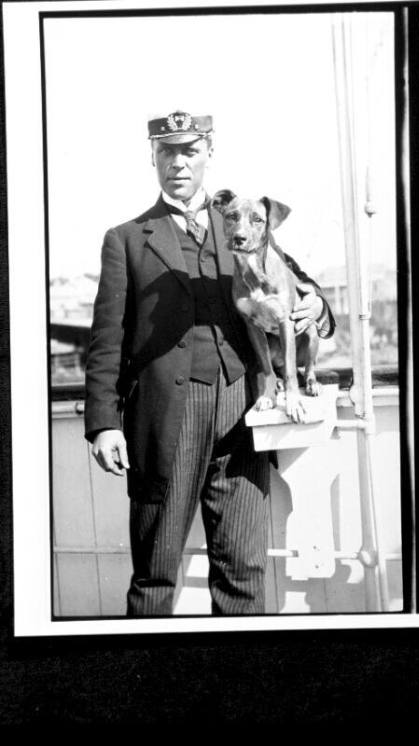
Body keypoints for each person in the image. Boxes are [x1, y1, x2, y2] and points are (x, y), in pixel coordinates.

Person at [84, 110, 335, 616]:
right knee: (155, 575)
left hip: (244, 411)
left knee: (243, 572)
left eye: (190, 150)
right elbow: (106, 338)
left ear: (208, 154)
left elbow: (297, 286)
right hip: (167, 417)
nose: (179, 162)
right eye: (167, 152)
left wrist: (318, 308)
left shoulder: (243, 221)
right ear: (152, 158)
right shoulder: (127, 239)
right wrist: (103, 425)